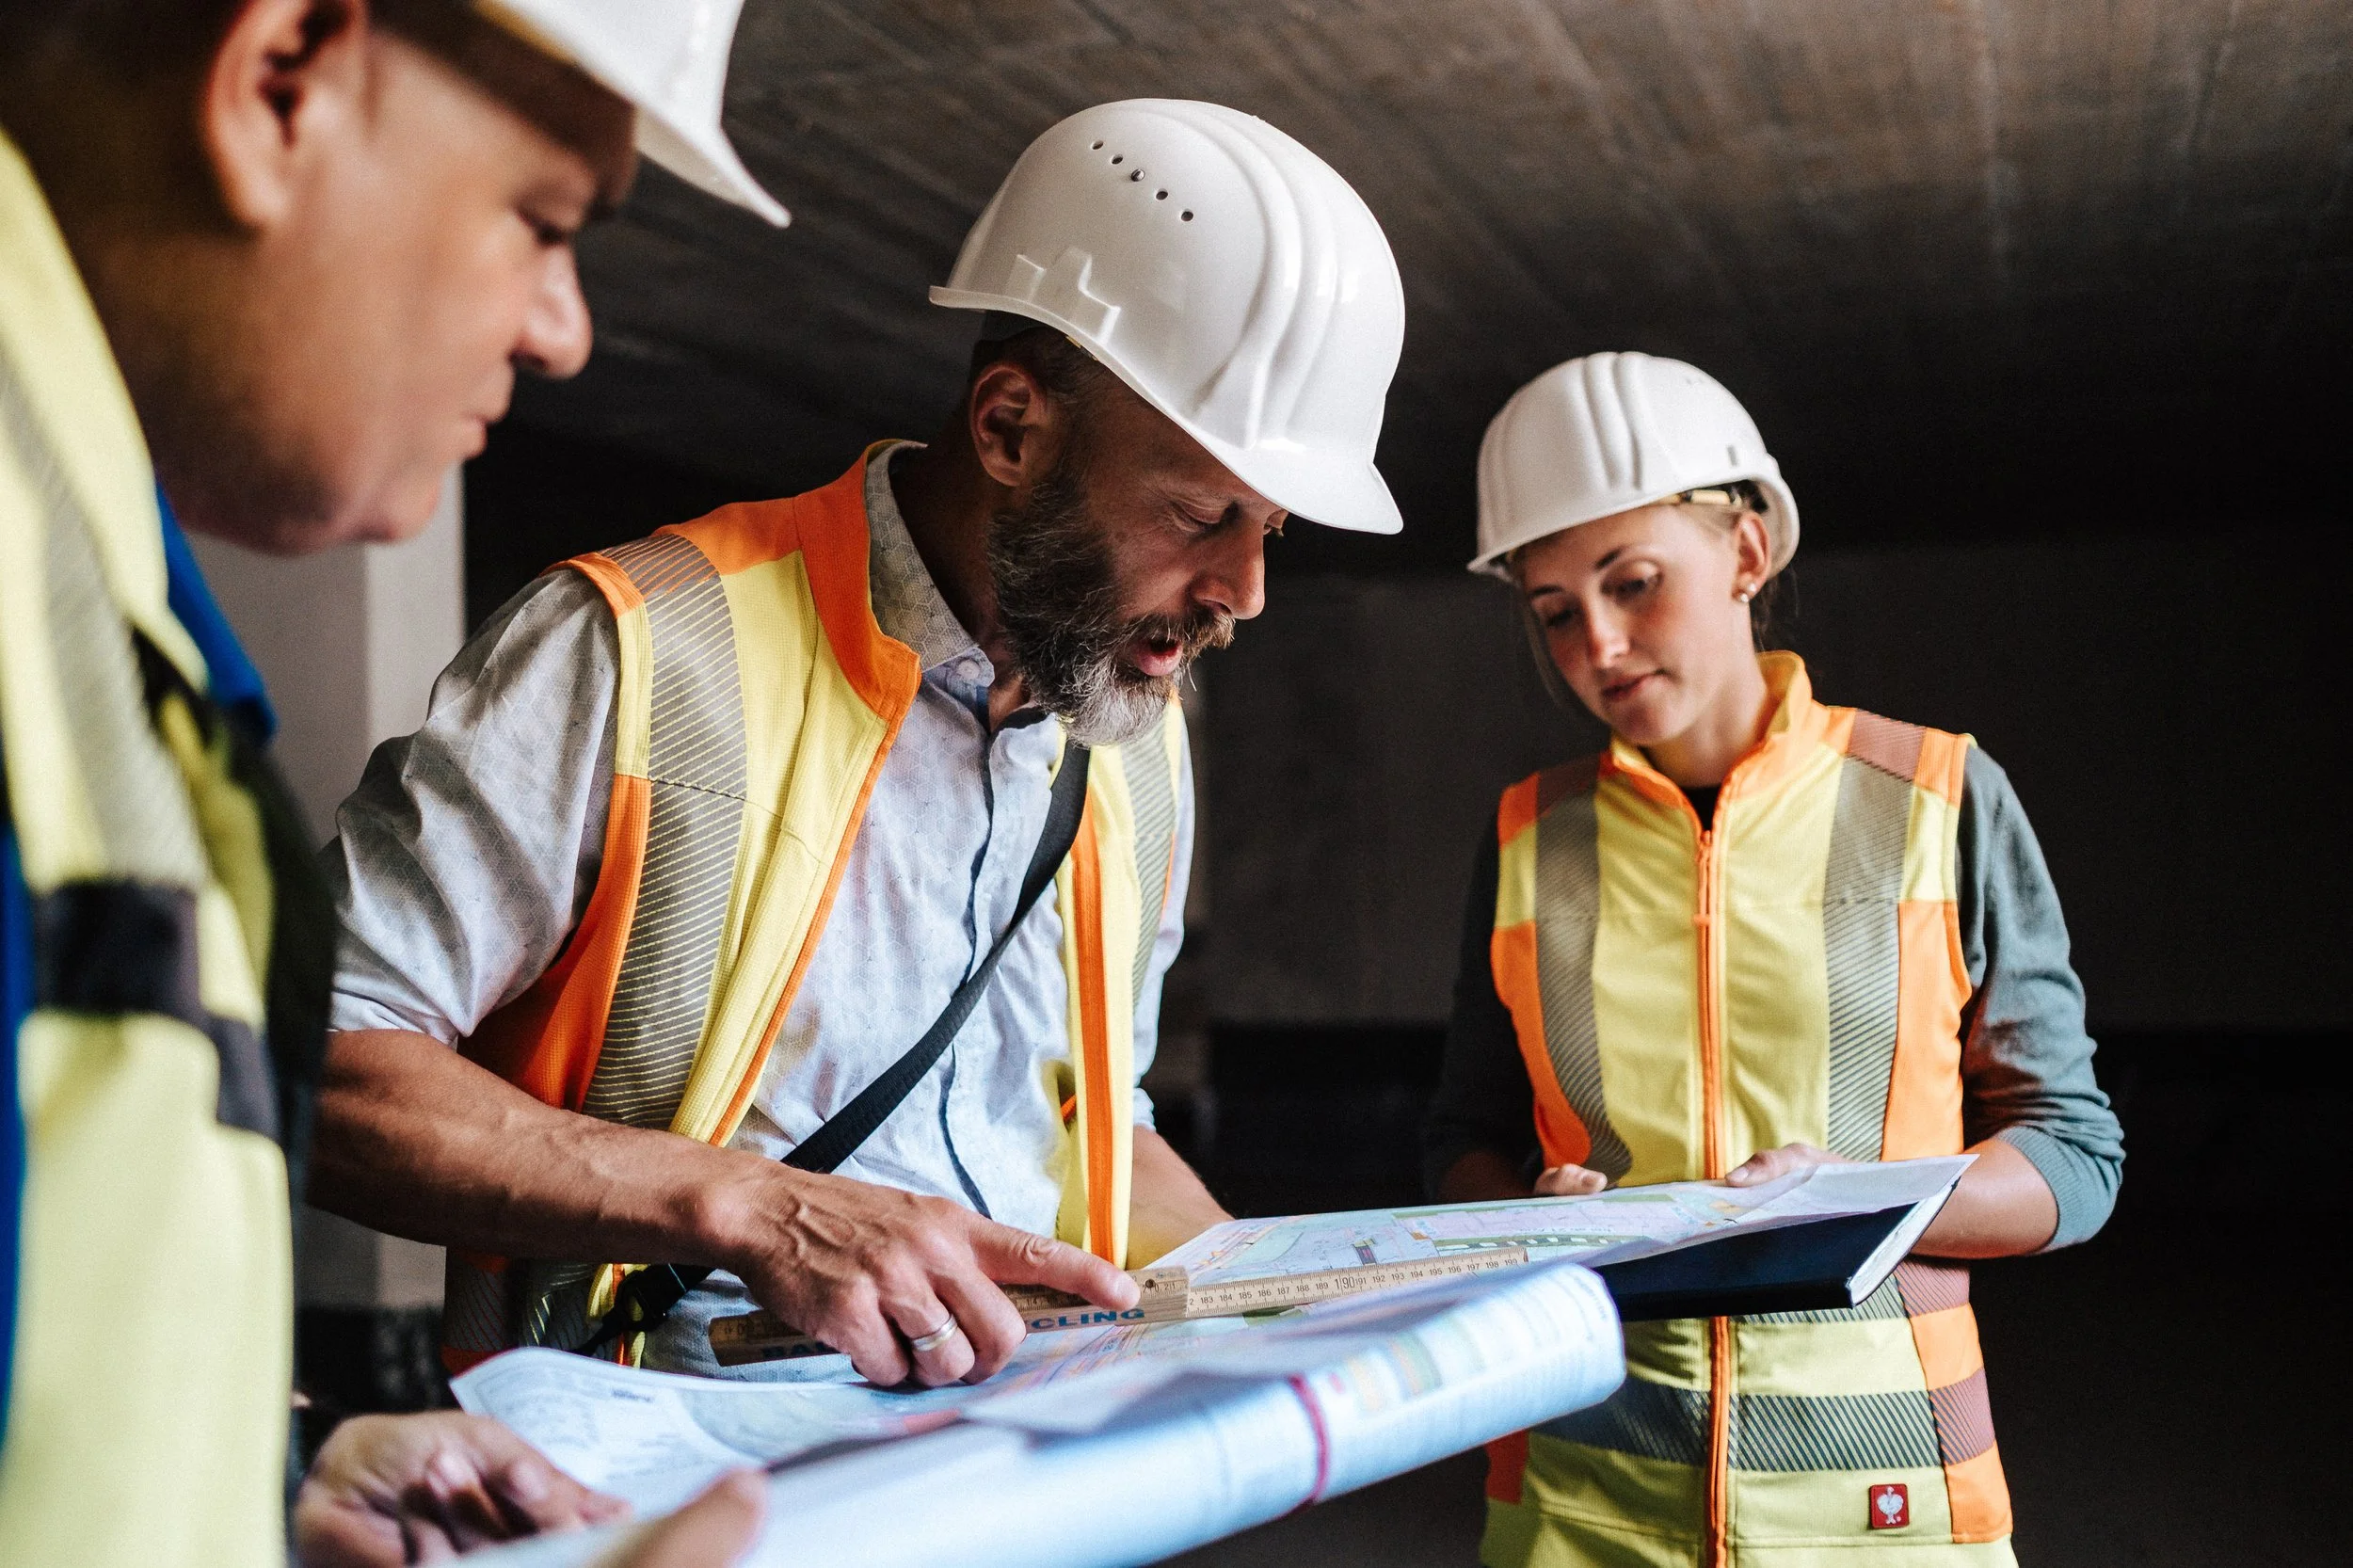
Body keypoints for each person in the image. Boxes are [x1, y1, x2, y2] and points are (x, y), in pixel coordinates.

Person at [308, 97, 1409, 1391]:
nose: (1245, 591)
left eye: (1269, 529)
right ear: (1010, 428)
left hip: (1025, 1463)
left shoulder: (1134, 749)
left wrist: (1304, 1306)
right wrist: (753, 1207)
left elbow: (1087, 1131)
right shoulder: (638, 653)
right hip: (653, 1475)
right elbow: (316, 1060)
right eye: (1199, 512)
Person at [0, 0, 789, 1561]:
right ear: (280, 79)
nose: (564, 330)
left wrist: (261, 1485)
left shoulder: (87, 582)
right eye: (543, 220)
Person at [1424, 352, 2126, 1567]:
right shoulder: (1531, 835)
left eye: (1633, 583)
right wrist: (1522, 1222)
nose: (1599, 642)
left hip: (1888, 1505)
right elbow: (1463, 1140)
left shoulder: (1939, 796)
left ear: (1746, 553)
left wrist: (1861, 1203)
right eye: (1554, 610)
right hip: (1580, 1498)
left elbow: (2074, 1155)